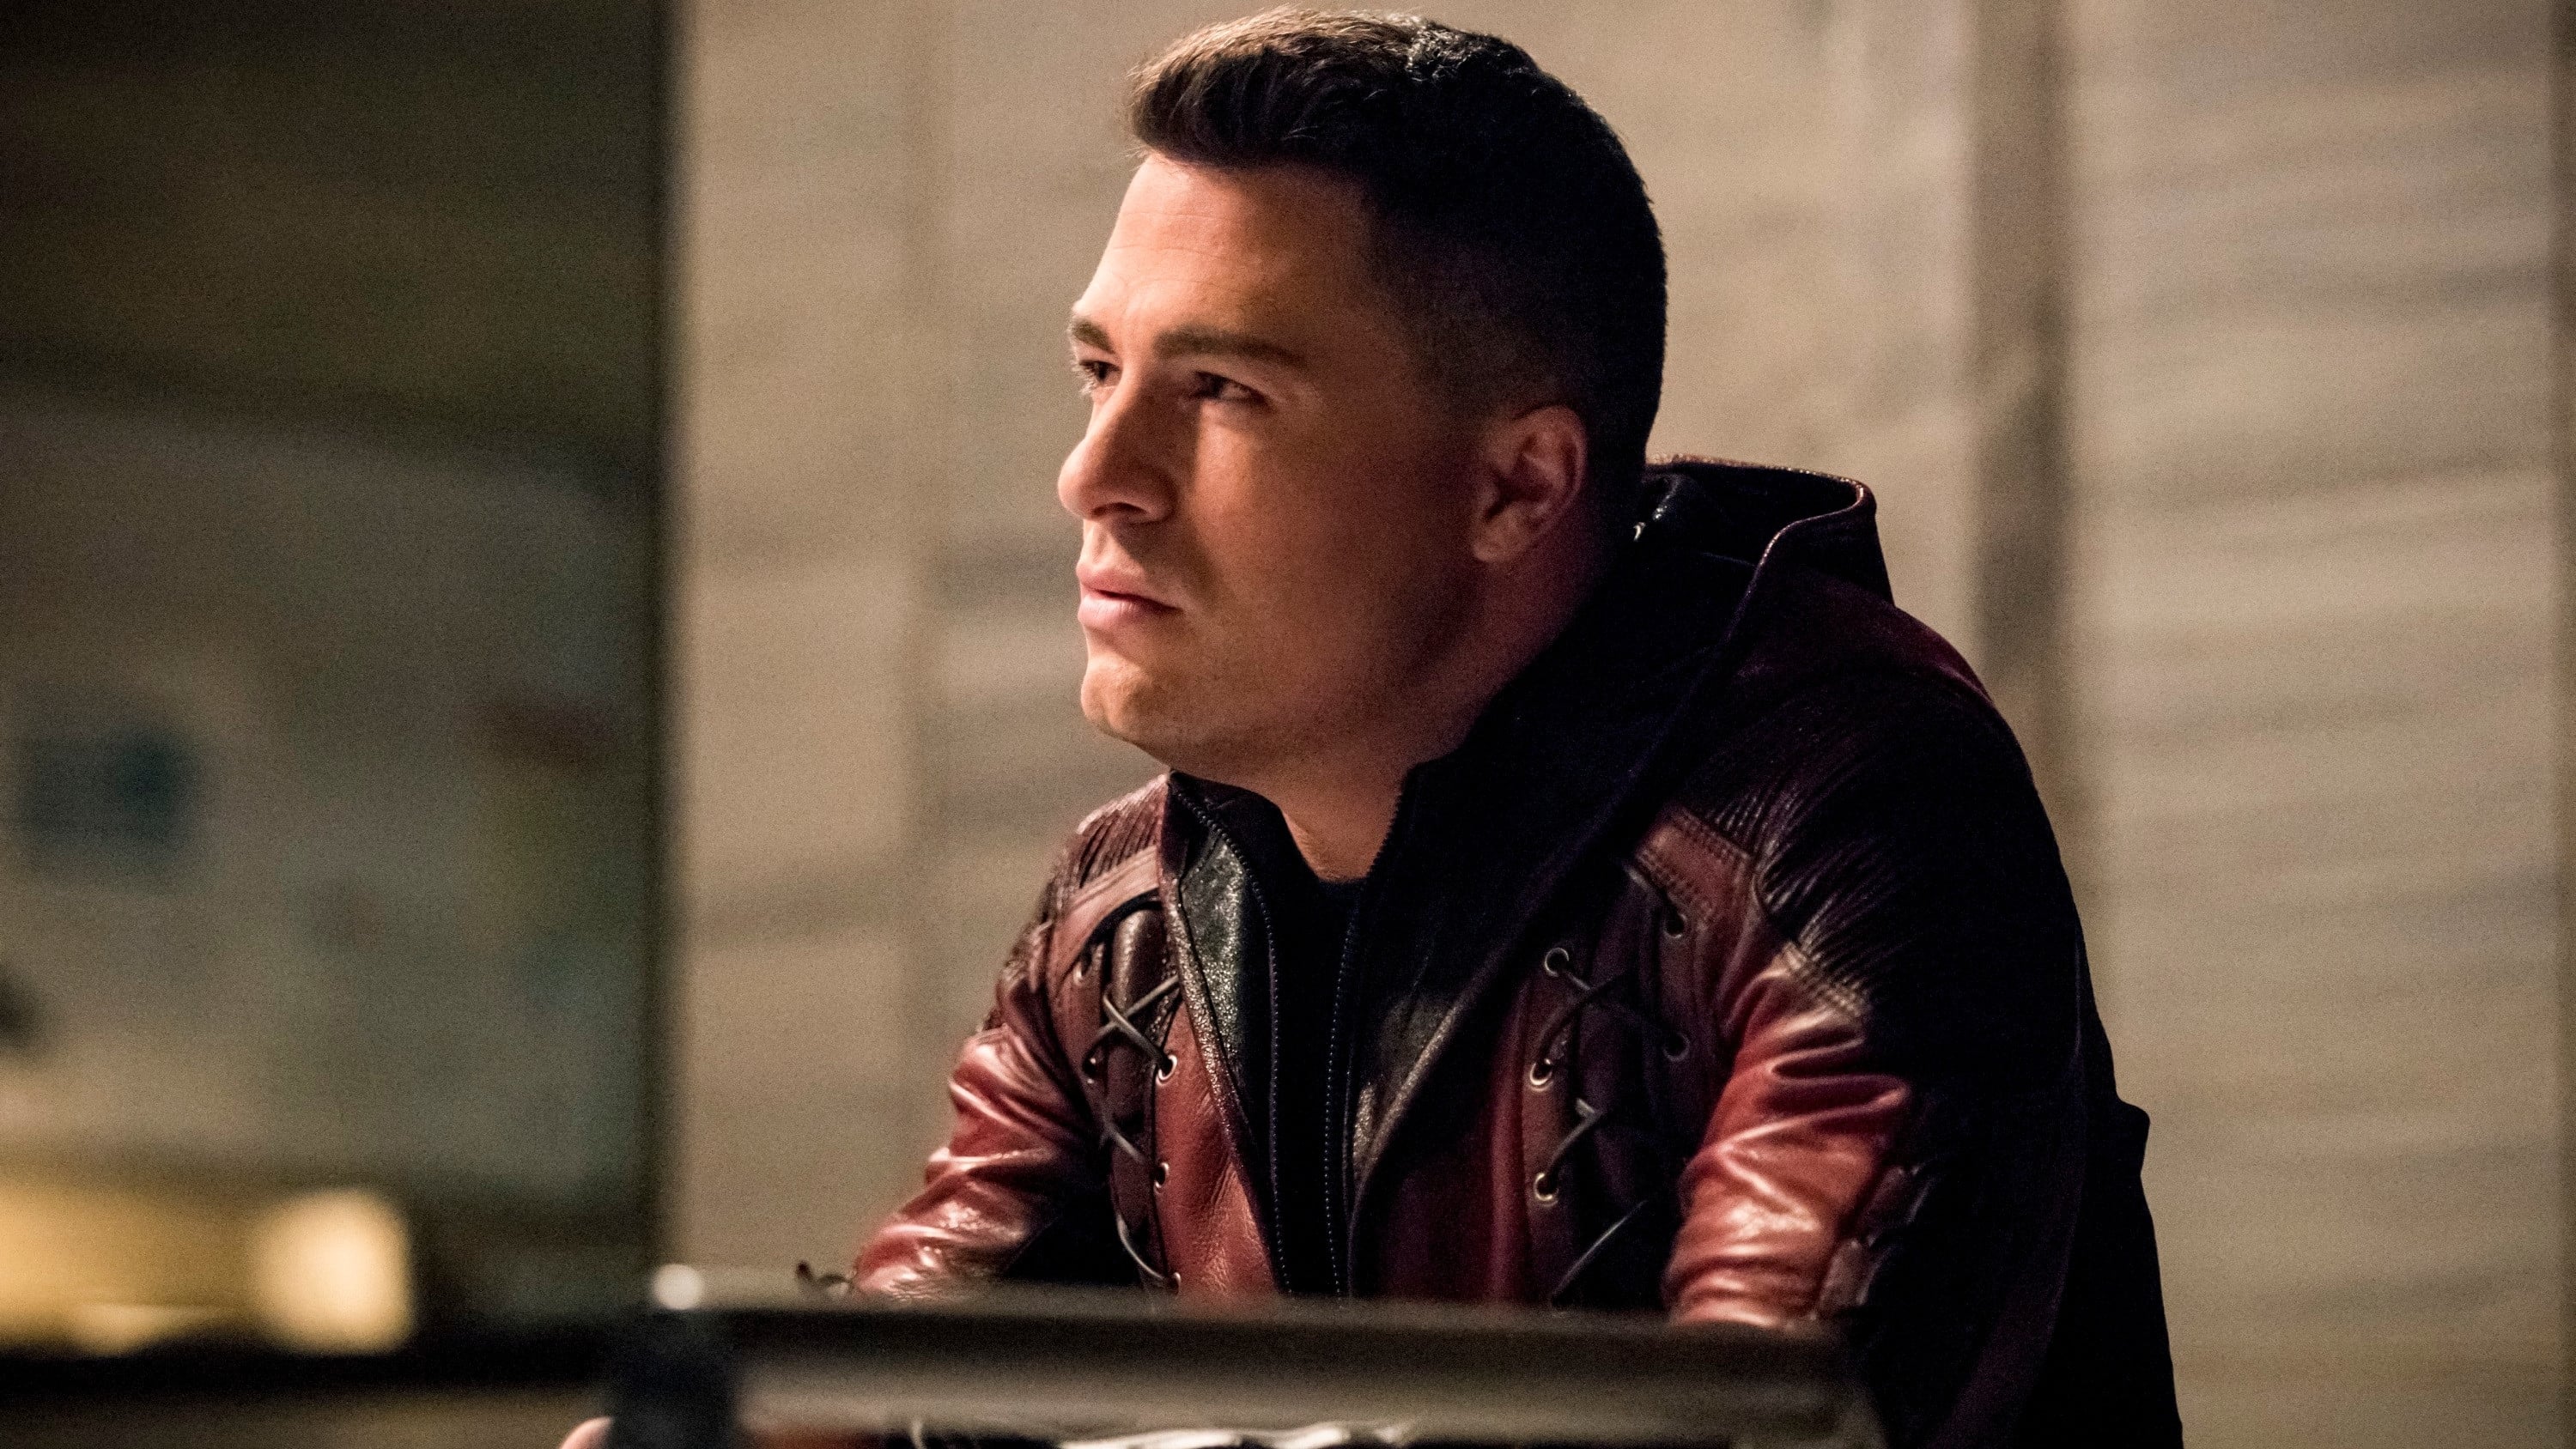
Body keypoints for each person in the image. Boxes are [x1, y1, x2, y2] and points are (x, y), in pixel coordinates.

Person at [573, 10, 2180, 1448]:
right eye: (1098, 372)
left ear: (1517, 487)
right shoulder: (1119, 914)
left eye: (1223, 391)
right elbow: (904, 1375)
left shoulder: (1837, 812)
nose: (1095, 475)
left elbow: (1777, 1420)